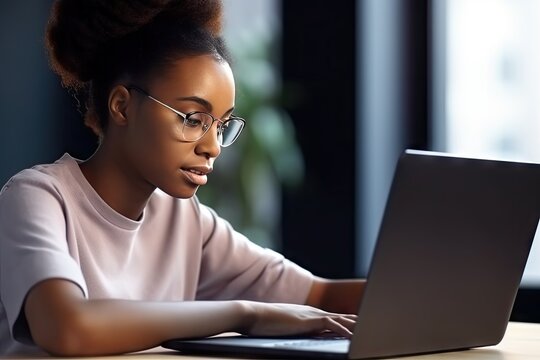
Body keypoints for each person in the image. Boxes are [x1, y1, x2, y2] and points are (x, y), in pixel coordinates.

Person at [0, 0, 365, 356]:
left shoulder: (184, 218)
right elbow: (67, 328)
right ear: (122, 106)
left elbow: (317, 296)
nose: (213, 147)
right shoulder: (38, 197)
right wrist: (245, 313)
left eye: (221, 126)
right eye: (192, 119)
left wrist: (418, 296)